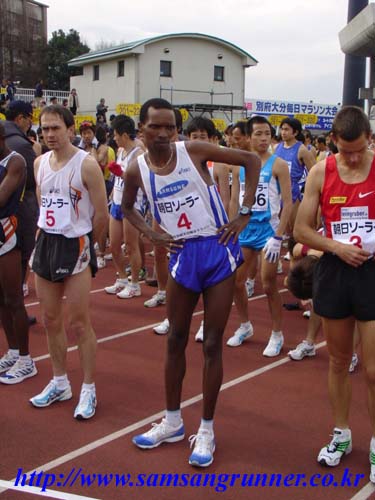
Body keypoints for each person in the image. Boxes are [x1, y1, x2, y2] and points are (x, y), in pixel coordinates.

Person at [124, 98, 261, 467]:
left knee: (212, 343)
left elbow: (251, 161)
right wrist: (152, 233)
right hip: (182, 256)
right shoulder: (137, 169)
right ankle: (171, 421)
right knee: (175, 338)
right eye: (157, 126)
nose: (166, 133)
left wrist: (244, 213)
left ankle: (207, 429)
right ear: (143, 129)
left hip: (216, 251)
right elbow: (127, 208)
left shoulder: (193, 151)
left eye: (171, 126)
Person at [294, 106, 375, 480]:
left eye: (361, 148)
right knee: (339, 362)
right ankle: (341, 433)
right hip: (335, 271)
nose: (355, 157)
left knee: (374, 371)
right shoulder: (319, 172)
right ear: (334, 142)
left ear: (369, 139)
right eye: (347, 150)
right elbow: (301, 230)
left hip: (372, 272)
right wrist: (336, 247)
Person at [29, 105, 108, 420]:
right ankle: (59, 381)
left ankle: (88, 387)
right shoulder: (39, 163)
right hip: (47, 241)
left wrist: (92, 245)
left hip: (76, 244)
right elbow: (42, 200)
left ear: (70, 129)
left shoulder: (86, 165)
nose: (49, 134)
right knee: (49, 318)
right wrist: (41, 232)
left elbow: (100, 213)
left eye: (55, 128)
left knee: (78, 322)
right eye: (44, 129)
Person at [226, 116, 292, 355]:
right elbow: (235, 199)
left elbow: (288, 202)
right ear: (248, 137)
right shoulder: (240, 165)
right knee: (236, 282)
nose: (263, 138)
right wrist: (232, 226)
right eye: (258, 134)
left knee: (268, 283)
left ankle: (277, 333)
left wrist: (279, 236)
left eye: (267, 133)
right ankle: (245, 326)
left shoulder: (278, 165)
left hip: (268, 232)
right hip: (244, 230)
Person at [0, 123, 37, 384]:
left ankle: (26, 359)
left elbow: (1, 197)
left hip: (8, 233)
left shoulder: (16, 161)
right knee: (0, 300)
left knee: (14, 299)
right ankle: (13, 351)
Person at [3, 101, 39, 321]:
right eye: (29, 117)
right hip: (19, 211)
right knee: (17, 262)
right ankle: (16, 315)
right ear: (20, 118)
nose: (31, 123)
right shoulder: (21, 145)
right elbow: (34, 180)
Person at [104, 114, 146, 299]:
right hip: (117, 202)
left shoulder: (139, 153)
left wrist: (121, 174)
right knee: (114, 244)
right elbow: (118, 178)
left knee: (130, 245)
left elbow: (141, 180)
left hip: (133, 204)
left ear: (124, 135)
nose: (114, 138)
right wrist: (113, 193)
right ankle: (121, 278)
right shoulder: (121, 151)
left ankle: (135, 283)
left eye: (115, 134)